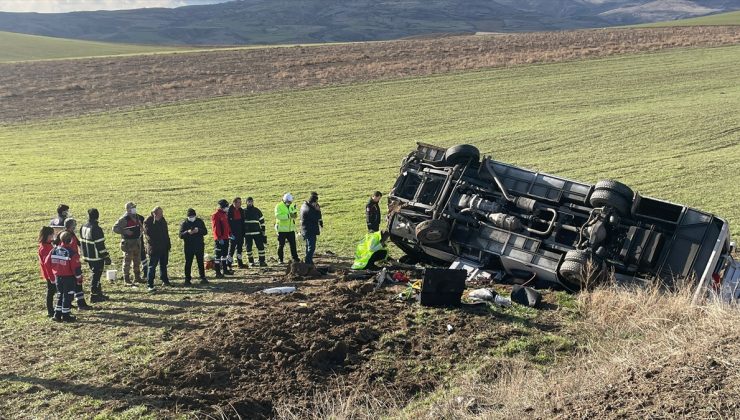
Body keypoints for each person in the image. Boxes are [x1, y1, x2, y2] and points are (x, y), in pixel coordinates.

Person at [46, 231, 83, 322]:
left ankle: (57, 315)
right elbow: (76, 268)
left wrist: (52, 275)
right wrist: (79, 279)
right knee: (68, 297)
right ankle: (66, 316)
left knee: (60, 295)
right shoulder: (72, 253)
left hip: (58, 277)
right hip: (69, 278)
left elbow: (46, 263)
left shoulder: (54, 250)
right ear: (70, 241)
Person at [80, 208, 112, 303]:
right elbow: (100, 245)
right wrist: (106, 256)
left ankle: (98, 293)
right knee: (96, 275)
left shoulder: (83, 226)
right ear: (97, 216)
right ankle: (94, 295)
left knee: (95, 273)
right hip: (96, 257)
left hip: (87, 256)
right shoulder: (96, 229)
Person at [62, 218, 93, 310]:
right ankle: (81, 304)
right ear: (71, 226)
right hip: (72, 263)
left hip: (68, 263)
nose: (75, 226)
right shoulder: (69, 235)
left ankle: (68, 302)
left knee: (69, 286)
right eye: (74, 225)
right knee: (78, 284)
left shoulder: (64, 234)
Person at [113, 202, 144, 285]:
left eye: (134, 207)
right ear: (127, 209)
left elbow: (141, 226)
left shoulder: (137, 217)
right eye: (132, 207)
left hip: (136, 242)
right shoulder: (124, 219)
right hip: (128, 243)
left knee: (137, 260)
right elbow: (115, 228)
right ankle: (126, 279)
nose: (134, 209)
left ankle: (137, 277)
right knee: (127, 261)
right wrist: (124, 231)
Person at [144, 206, 171, 291]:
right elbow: (149, 234)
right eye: (160, 213)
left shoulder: (163, 220)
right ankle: (150, 284)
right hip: (154, 248)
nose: (162, 214)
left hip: (164, 247)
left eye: (162, 213)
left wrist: (168, 244)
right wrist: (155, 221)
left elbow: (166, 233)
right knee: (152, 266)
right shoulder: (148, 221)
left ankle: (165, 280)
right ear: (155, 213)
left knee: (163, 265)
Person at [179, 208, 209, 285]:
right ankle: (187, 278)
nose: (192, 218)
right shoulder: (184, 223)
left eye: (193, 216)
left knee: (200, 262)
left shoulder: (199, 221)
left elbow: (205, 232)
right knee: (188, 262)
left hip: (199, 245)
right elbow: (181, 235)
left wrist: (198, 230)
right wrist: (188, 232)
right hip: (189, 246)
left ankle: (202, 277)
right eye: (190, 216)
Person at [275, 193, 300, 264]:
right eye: (289, 202)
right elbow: (278, 216)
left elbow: (294, 213)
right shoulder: (279, 206)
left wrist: (295, 215)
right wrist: (289, 216)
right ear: (285, 200)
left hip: (290, 229)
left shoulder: (292, 205)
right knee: (281, 245)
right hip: (281, 230)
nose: (290, 203)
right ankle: (280, 259)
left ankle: (295, 258)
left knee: (293, 244)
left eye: (290, 202)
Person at [300, 192, 323, 266]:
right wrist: (317, 210)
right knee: (311, 247)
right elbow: (315, 218)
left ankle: (308, 260)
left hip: (306, 229)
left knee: (308, 246)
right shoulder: (309, 209)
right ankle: (308, 261)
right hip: (309, 230)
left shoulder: (305, 206)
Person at [243, 197, 268, 267]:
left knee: (261, 247)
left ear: (253, 202)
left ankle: (262, 261)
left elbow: (262, 221)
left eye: (251, 201)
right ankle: (251, 262)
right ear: (246, 202)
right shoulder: (243, 211)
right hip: (247, 234)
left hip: (257, 233)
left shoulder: (257, 210)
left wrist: (263, 231)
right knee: (248, 249)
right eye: (248, 201)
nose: (250, 203)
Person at [211, 199, 232, 278]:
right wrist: (219, 238)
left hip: (226, 237)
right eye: (226, 206)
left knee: (224, 255)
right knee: (218, 256)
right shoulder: (216, 215)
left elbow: (227, 226)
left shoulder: (224, 214)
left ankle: (225, 270)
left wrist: (230, 233)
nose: (227, 208)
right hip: (220, 239)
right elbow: (215, 228)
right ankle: (218, 272)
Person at [38, 226, 56, 318]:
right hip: (50, 274)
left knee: (53, 291)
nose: (53, 236)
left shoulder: (47, 244)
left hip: (51, 273)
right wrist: (52, 277)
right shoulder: (45, 248)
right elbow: (47, 264)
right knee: (51, 291)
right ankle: (50, 310)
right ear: (47, 235)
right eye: (51, 235)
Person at [227, 197, 246, 269]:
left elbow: (243, 222)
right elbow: (228, 223)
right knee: (231, 249)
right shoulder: (230, 211)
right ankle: (228, 263)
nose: (240, 204)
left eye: (240, 202)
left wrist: (243, 232)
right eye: (239, 202)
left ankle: (240, 263)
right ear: (234, 203)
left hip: (240, 233)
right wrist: (230, 233)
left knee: (240, 249)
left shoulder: (241, 210)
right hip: (233, 233)